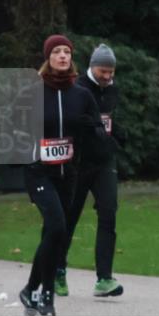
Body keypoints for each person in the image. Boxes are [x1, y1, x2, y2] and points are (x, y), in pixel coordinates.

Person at [17, 35, 109, 316]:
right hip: (38, 171)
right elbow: (13, 126)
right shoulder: (32, 92)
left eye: (66, 52)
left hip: (68, 174)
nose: (62, 56)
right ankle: (46, 294)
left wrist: (89, 128)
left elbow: (99, 133)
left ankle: (30, 289)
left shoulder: (81, 95)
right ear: (48, 57)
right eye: (56, 51)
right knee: (57, 227)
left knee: (54, 232)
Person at [56, 43, 124, 298]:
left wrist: (117, 136)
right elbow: (74, 120)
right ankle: (58, 271)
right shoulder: (79, 87)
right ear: (92, 67)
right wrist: (94, 129)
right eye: (102, 71)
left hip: (104, 161)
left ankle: (104, 278)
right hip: (78, 161)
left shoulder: (113, 89)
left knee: (109, 213)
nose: (107, 76)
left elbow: (110, 118)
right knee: (69, 216)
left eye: (111, 72)